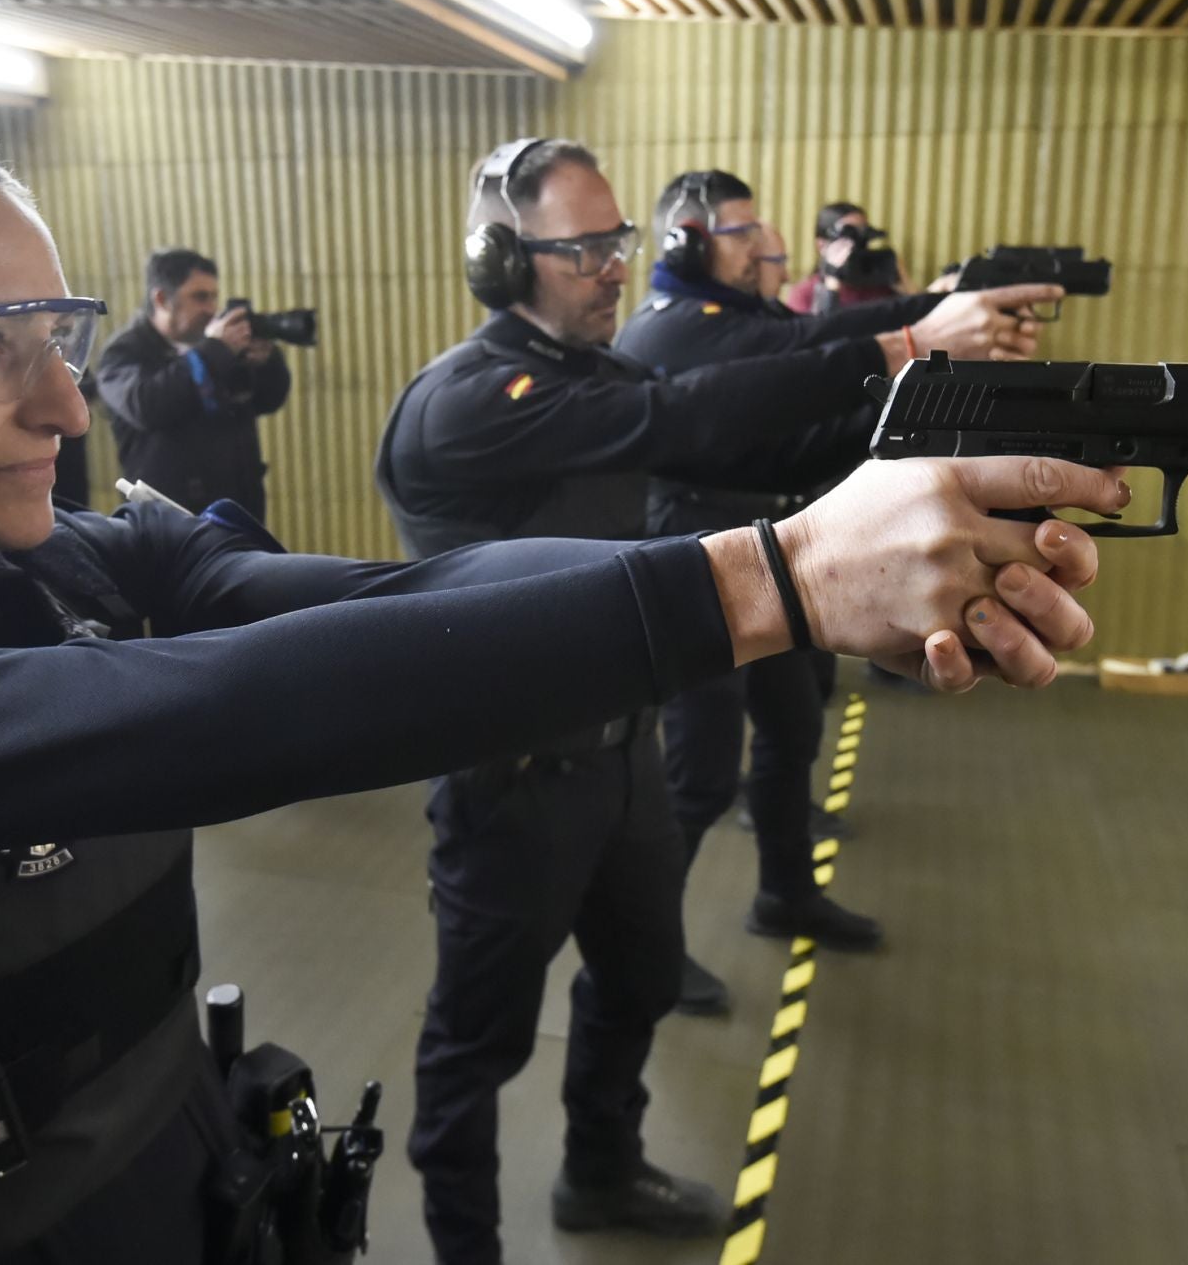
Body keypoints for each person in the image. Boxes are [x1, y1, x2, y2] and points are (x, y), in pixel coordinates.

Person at [0, 106, 1115, 1265]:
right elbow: (219, 713)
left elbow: (399, 601)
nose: (64, 398)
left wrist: (784, 583)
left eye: (52, 334)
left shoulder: (71, 566)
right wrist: (768, 579)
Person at [373, 140, 1066, 1263]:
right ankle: (465, 1247)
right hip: (514, 781)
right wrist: (899, 340)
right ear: (505, 260)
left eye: (618, 243)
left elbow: (755, 378)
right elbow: (687, 420)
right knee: (474, 1047)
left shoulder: (597, 373)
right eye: (585, 248)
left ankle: (598, 1173)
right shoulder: (471, 402)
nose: (612, 267)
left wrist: (915, 365)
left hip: (622, 750)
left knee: (640, 981)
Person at [614, 170, 1052, 1013]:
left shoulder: (739, 317)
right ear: (689, 239)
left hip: (770, 544)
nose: (761, 247)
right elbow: (788, 359)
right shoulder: (666, 329)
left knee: (791, 727)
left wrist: (932, 322)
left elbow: (815, 345)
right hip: (693, 547)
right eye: (744, 234)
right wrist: (920, 326)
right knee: (698, 776)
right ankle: (645, 954)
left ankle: (784, 891)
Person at [94, 248, 290, 521]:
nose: (211, 309)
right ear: (162, 299)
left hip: (237, 511)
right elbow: (146, 405)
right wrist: (214, 352)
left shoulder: (217, 346)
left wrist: (266, 361)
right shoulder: (124, 352)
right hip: (166, 521)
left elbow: (270, 399)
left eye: (213, 296)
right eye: (199, 297)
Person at [784, 201, 910, 316]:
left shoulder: (884, 286)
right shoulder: (806, 293)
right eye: (848, 237)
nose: (856, 247)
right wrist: (832, 288)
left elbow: (921, 323)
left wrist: (905, 284)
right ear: (821, 245)